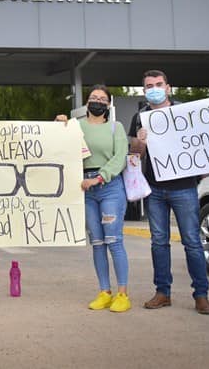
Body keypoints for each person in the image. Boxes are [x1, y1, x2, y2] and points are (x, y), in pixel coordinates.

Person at [128, 69, 209, 315]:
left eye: (158, 84)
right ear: (144, 90)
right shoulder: (139, 117)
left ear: (168, 87)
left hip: (184, 188)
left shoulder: (187, 113)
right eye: (149, 85)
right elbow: (134, 155)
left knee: (192, 242)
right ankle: (162, 293)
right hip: (154, 190)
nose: (154, 88)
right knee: (158, 243)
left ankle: (201, 295)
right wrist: (140, 142)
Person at [57, 85, 131, 312]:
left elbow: (120, 159)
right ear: (86, 103)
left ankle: (122, 295)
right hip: (85, 189)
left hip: (109, 187)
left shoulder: (115, 128)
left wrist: (99, 178)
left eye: (101, 99)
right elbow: (61, 146)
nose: (96, 101)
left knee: (114, 240)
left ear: (108, 105)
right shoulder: (75, 127)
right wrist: (60, 125)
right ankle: (104, 292)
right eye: (92, 98)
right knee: (97, 243)